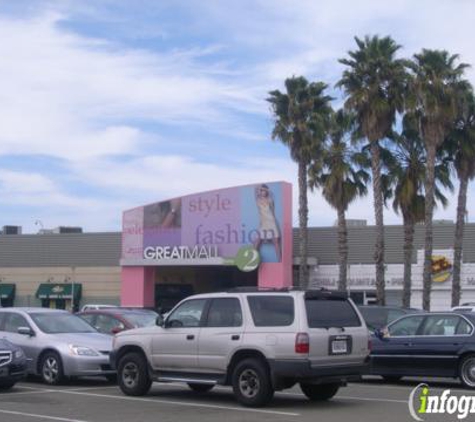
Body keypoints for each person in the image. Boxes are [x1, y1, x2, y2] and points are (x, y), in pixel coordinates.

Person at [253, 184, 281, 261]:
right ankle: (252, 259)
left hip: (271, 222)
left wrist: (267, 190)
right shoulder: (258, 200)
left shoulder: (270, 200)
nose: (263, 192)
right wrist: (261, 188)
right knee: (257, 241)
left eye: (264, 191)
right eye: (262, 191)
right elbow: (255, 190)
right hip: (263, 223)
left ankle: (279, 261)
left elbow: (273, 212)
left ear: (267, 192)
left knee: (276, 242)